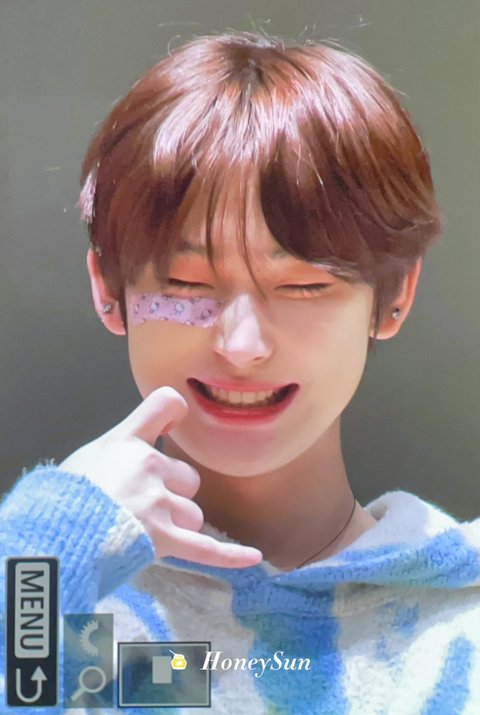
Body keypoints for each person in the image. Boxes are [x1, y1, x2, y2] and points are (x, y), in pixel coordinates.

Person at [1, 29, 480, 715]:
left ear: (394, 295)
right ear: (108, 288)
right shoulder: (66, 608)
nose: (242, 344)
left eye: (304, 286)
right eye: (187, 282)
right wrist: (46, 551)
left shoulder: (462, 619)